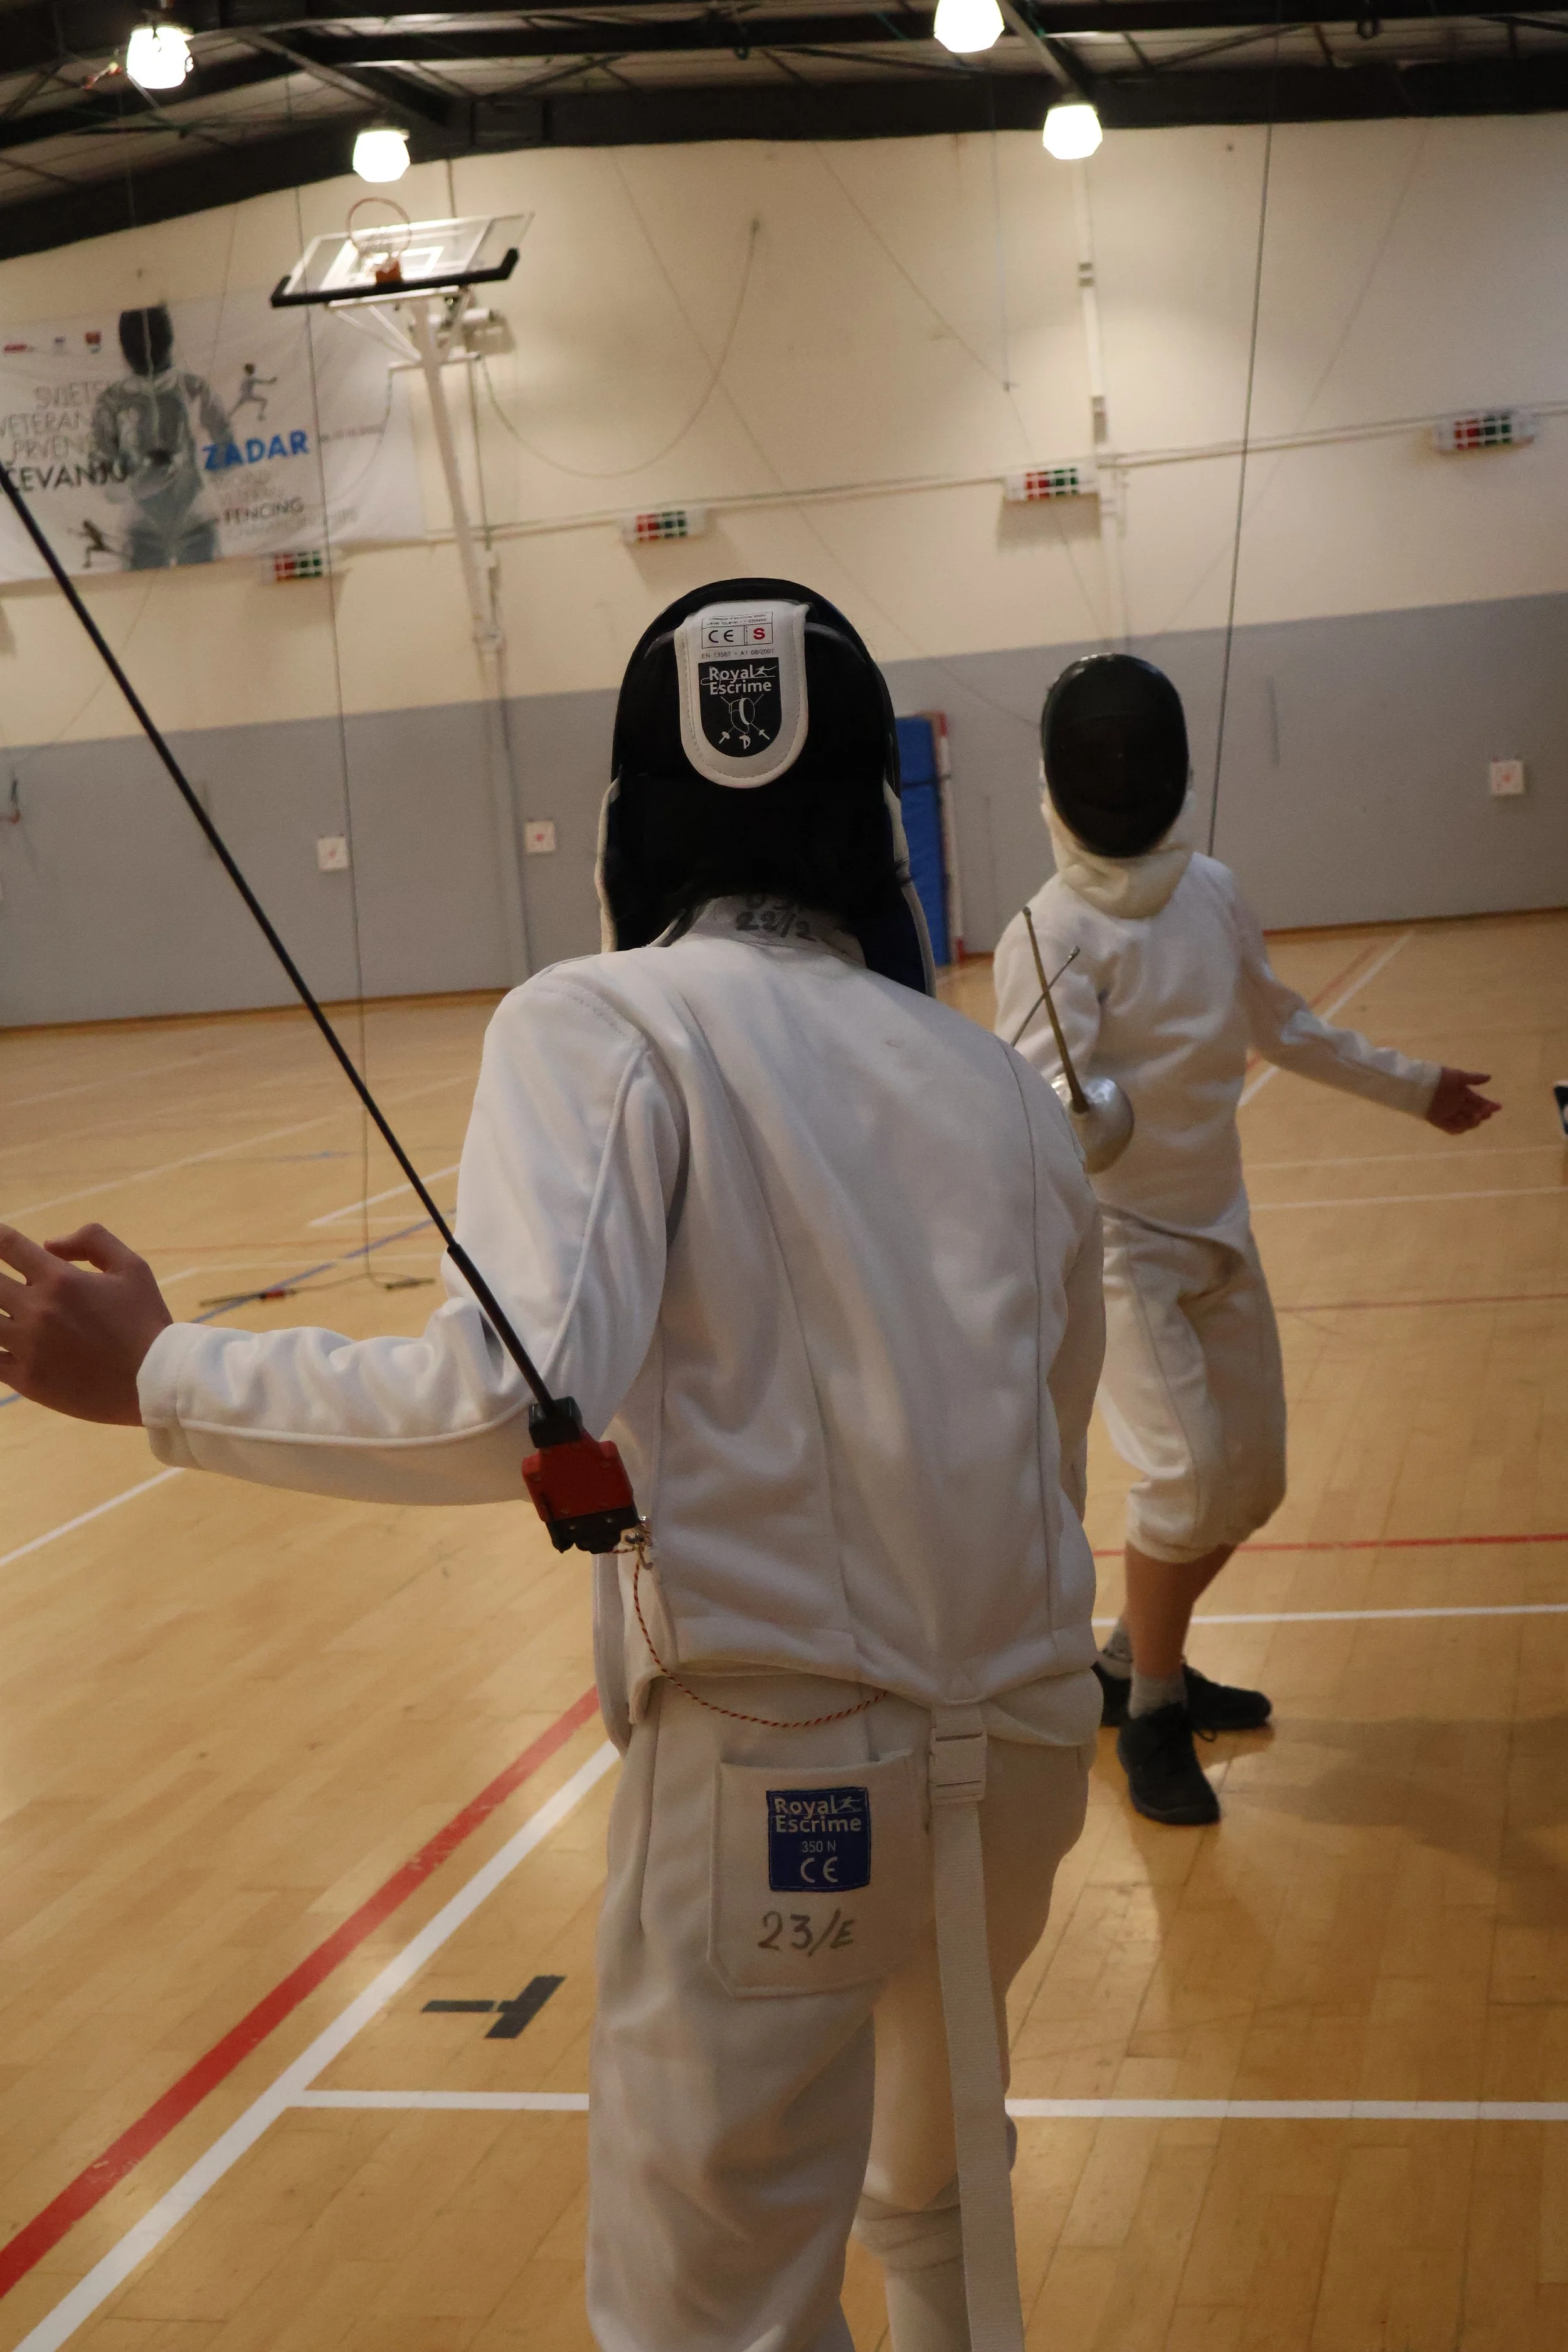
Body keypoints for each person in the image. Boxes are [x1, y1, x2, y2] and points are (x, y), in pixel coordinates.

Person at [1, 581, 1108, 2352]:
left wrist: (159, 1370)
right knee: (944, 2197)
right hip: (1030, 1744)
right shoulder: (997, 1088)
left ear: (629, 818)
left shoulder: (595, 1019)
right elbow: (1049, 1447)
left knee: (709, 2318)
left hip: (785, 1779)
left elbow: (500, 1400)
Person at [993, 652, 1500, 1831]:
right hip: (1122, 1250)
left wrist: (1413, 1085)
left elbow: (1283, 1024)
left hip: (1219, 1227)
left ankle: (1132, 1660)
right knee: (1186, 1482)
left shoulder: (1210, 890)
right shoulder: (1048, 929)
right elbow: (1023, 1117)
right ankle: (1154, 1714)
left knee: (1253, 1483)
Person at [91, 305, 229, 570]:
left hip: (197, 520)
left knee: (208, 590)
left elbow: (228, 447)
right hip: (142, 529)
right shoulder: (112, 402)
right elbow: (101, 476)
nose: (147, 350)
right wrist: (137, 486)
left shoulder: (194, 388)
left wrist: (194, 470)